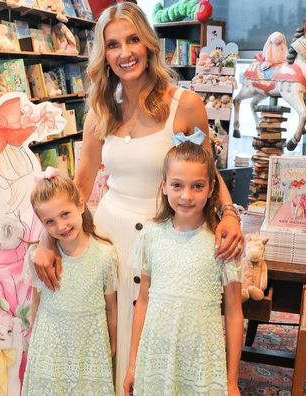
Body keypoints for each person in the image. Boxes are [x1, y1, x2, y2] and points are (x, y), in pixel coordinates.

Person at [33, 3, 243, 394]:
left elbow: (206, 172)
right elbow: (78, 189)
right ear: (104, 54)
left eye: (132, 40)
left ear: (148, 44)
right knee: (110, 344)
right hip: (111, 243)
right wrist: (47, 240)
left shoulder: (185, 105)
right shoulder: (99, 111)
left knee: (154, 352)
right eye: (113, 44)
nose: (125, 52)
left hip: (165, 245)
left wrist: (228, 214)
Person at [123, 138, 243, 396]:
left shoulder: (222, 243)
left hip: (202, 363)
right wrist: (133, 364)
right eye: (177, 185)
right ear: (164, 186)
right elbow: (142, 301)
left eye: (197, 186)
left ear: (212, 188)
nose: (186, 196)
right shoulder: (151, 235)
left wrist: (231, 382)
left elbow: (234, 313)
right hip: (156, 359)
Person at [22, 168, 118, 395]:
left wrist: (112, 344)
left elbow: (111, 308)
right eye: (50, 221)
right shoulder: (38, 257)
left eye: (65, 214)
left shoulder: (105, 255)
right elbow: (36, 302)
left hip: (89, 349)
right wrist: (35, 341)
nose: (61, 226)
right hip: (50, 348)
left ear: (81, 205)